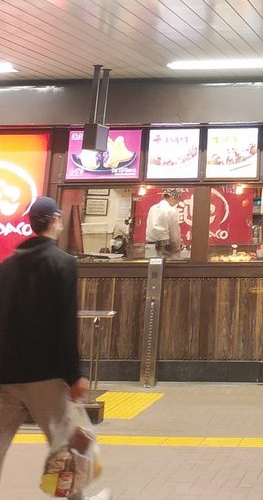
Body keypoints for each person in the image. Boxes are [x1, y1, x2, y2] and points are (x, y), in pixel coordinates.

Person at [0, 195, 111, 499]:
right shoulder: (63, 263)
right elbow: (65, 322)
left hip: (5, 373)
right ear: (55, 219)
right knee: (65, 446)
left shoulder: (7, 267)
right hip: (45, 375)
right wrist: (74, 374)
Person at [144, 190, 182, 257]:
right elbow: (174, 234)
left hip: (149, 247)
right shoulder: (170, 210)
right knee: (163, 263)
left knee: (150, 263)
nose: (177, 203)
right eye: (177, 200)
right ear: (172, 198)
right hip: (164, 247)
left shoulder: (153, 208)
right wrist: (177, 247)